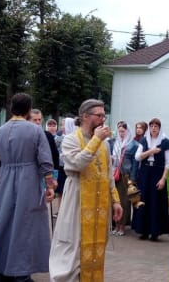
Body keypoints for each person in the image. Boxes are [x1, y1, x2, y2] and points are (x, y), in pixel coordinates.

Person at [0, 93, 54, 282]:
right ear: (29, 109)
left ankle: (0, 270)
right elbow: (45, 160)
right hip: (28, 180)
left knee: (3, 223)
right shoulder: (35, 131)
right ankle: (21, 273)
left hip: (5, 179)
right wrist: (49, 185)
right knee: (26, 225)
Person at [49, 99, 123, 282]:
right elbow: (77, 163)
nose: (102, 120)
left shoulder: (105, 144)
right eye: (99, 116)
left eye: (104, 116)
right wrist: (96, 140)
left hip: (100, 203)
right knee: (73, 246)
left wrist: (116, 201)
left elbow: (107, 173)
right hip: (77, 199)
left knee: (97, 247)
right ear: (85, 116)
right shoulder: (71, 139)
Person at [133, 118, 169, 241]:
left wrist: (163, 179)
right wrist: (151, 151)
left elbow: (168, 163)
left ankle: (155, 232)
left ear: (159, 128)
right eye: (152, 126)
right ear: (149, 128)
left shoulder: (165, 142)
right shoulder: (145, 140)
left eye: (156, 126)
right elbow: (138, 157)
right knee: (143, 200)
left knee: (155, 202)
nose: (154, 128)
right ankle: (143, 230)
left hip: (157, 173)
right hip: (145, 173)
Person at [111, 121, 132, 236]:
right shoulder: (116, 143)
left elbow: (134, 162)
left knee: (123, 201)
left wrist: (132, 178)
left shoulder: (131, 144)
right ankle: (116, 225)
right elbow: (114, 157)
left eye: (123, 131)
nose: (121, 133)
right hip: (115, 174)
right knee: (115, 199)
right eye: (119, 131)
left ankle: (122, 226)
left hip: (125, 175)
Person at [55, 117, 76, 207]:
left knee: (68, 191)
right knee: (60, 191)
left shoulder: (75, 139)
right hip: (61, 167)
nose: (62, 127)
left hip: (69, 169)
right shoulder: (59, 138)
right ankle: (60, 210)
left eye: (63, 125)